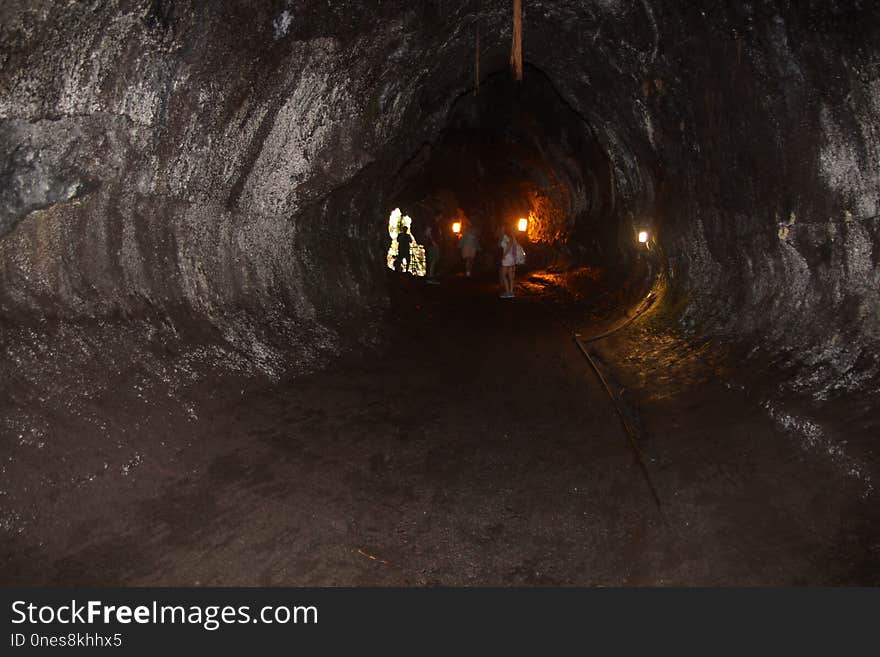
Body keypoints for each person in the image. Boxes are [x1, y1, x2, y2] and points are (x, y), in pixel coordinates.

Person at [498, 225, 519, 299]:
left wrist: (504, 254)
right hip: (512, 258)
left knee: (503, 275)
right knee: (510, 276)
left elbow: (509, 245)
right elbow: (514, 246)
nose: (501, 229)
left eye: (502, 228)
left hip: (507, 258)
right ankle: (511, 292)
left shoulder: (505, 237)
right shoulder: (512, 237)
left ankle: (507, 292)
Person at [424, 219, 440, 284]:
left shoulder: (435, 224)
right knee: (432, 260)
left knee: (434, 260)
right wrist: (433, 242)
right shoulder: (432, 223)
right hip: (432, 245)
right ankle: (430, 277)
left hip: (434, 244)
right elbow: (428, 233)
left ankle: (431, 276)